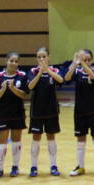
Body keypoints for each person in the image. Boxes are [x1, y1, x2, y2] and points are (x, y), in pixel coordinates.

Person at [65, 49, 94, 175]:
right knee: (80, 140)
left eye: (88, 60)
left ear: (92, 60)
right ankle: (80, 166)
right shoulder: (77, 71)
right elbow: (66, 78)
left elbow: (93, 77)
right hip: (80, 111)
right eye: (84, 59)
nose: (86, 62)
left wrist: (82, 62)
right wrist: (74, 64)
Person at [0, 52, 27, 179]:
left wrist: (13, 88)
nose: (14, 63)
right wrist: (3, 89)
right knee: (2, 142)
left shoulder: (22, 76)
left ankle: (15, 167)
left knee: (16, 141)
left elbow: (24, 95)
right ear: (6, 61)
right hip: (3, 113)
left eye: (16, 61)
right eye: (11, 61)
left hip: (17, 113)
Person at [27, 46, 64, 177]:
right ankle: (33, 166)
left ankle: (53, 165)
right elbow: (30, 86)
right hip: (37, 110)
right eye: (39, 57)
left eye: (44, 56)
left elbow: (61, 80)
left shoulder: (54, 70)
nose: (41, 59)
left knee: (51, 137)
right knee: (36, 137)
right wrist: (40, 73)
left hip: (51, 109)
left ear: (48, 57)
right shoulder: (33, 71)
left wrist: (47, 70)